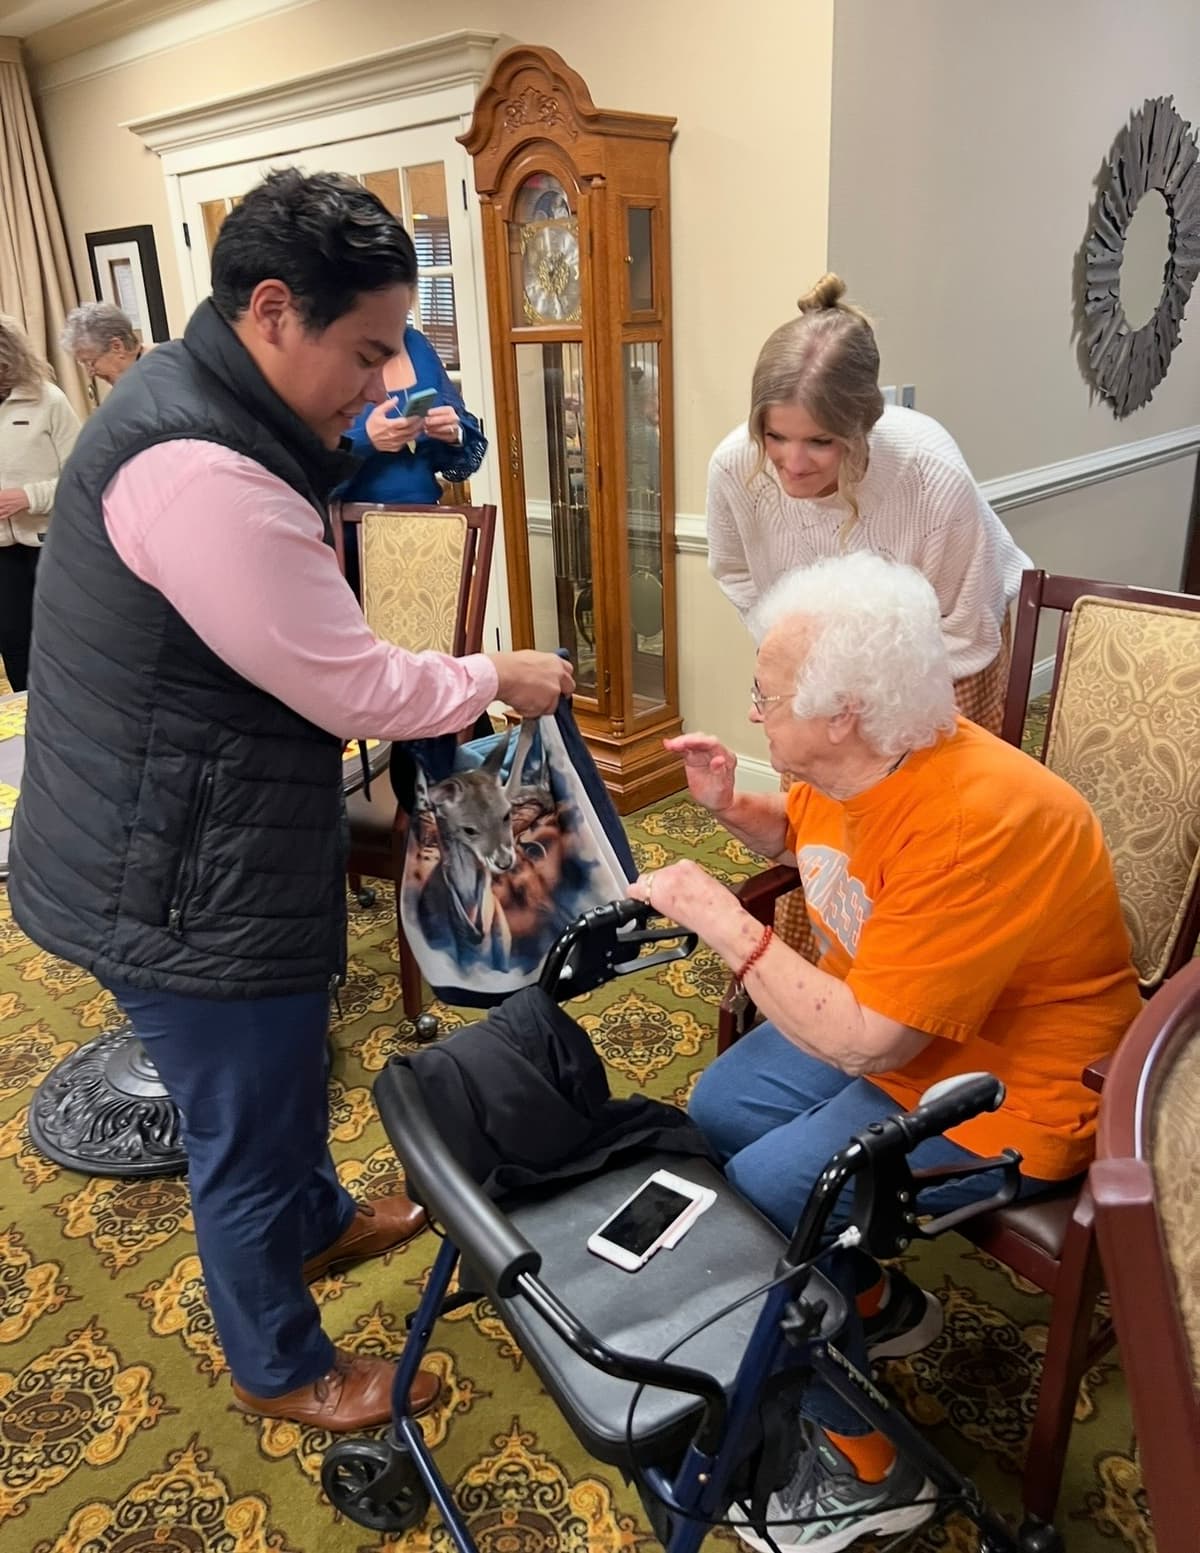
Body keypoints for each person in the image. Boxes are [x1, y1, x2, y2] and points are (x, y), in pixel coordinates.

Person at [9, 169, 574, 1434]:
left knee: (277, 1090)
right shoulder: (206, 470)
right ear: (272, 309)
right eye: (368, 352)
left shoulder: (204, 402)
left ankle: (320, 1220)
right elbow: (357, 679)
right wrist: (496, 673)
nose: (384, 385)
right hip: (174, 873)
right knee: (248, 1128)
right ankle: (282, 1363)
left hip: (182, 825)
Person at [628, 552, 1139, 1552]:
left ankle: (869, 1467)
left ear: (844, 711)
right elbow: (828, 841)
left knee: (772, 1195)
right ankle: (873, 1296)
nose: (756, 712)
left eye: (765, 698)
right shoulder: (859, 761)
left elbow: (866, 1037)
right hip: (912, 1020)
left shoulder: (979, 820)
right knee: (724, 1106)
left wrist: (725, 923)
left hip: (1016, 1086)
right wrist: (738, 805)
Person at [707, 274, 1031, 735]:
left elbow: (962, 625)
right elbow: (737, 573)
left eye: (820, 441)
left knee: (932, 790)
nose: (793, 463)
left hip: (946, 649)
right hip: (819, 662)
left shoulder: (930, 474)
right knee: (815, 784)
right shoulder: (734, 469)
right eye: (775, 436)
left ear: (862, 426)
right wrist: (794, 659)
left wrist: (875, 704)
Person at [0, 317, 81, 690]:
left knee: (69, 643)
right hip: (2, 557)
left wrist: (28, 497)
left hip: (51, 545)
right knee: (15, 646)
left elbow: (81, 476)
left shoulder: (48, 399)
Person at [338, 330, 486, 507]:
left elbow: (462, 459)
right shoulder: (333, 346)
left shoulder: (416, 343)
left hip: (426, 519)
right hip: (353, 523)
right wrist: (366, 439)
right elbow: (309, 460)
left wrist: (454, 435)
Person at [61, 301, 145, 388]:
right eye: (84, 364)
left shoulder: (155, 377)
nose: (90, 374)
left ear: (117, 347)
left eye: (90, 363)